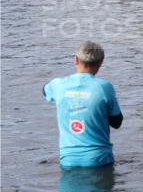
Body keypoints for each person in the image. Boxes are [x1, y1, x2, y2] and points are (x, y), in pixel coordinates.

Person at [44, 41, 124, 169]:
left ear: (76, 59)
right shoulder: (104, 87)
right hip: (99, 159)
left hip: (68, 160)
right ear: (100, 63)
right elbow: (117, 123)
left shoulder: (57, 85)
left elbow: (44, 90)